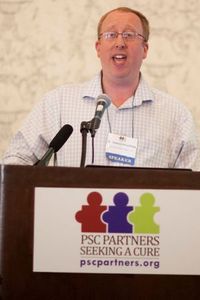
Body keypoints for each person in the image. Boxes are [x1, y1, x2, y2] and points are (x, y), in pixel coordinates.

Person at [2, 6, 200, 170]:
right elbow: (16, 160)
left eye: (129, 35)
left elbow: (192, 185)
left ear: (145, 49)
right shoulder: (58, 103)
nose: (120, 42)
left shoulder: (175, 114)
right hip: (72, 216)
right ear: (98, 47)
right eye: (111, 34)